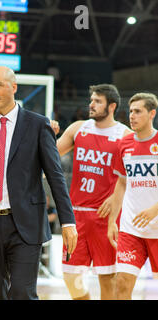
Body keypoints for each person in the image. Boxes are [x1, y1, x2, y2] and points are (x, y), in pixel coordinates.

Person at [0, 66, 77, 300]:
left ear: (14, 87)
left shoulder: (38, 125)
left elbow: (55, 176)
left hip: (26, 224)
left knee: (22, 292)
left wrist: (68, 221)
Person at [56, 84, 131, 300]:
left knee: (108, 278)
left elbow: (132, 178)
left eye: (98, 101)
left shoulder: (124, 136)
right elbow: (51, 157)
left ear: (112, 106)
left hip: (106, 217)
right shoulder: (78, 128)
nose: (91, 104)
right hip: (77, 214)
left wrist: (116, 197)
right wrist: (46, 135)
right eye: (91, 100)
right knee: (71, 277)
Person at [98, 93, 158, 299]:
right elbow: (121, 184)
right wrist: (111, 221)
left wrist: (154, 209)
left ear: (152, 113)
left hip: (157, 227)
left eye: (138, 111)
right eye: (131, 111)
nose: (132, 116)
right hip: (130, 229)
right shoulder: (124, 144)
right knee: (122, 285)